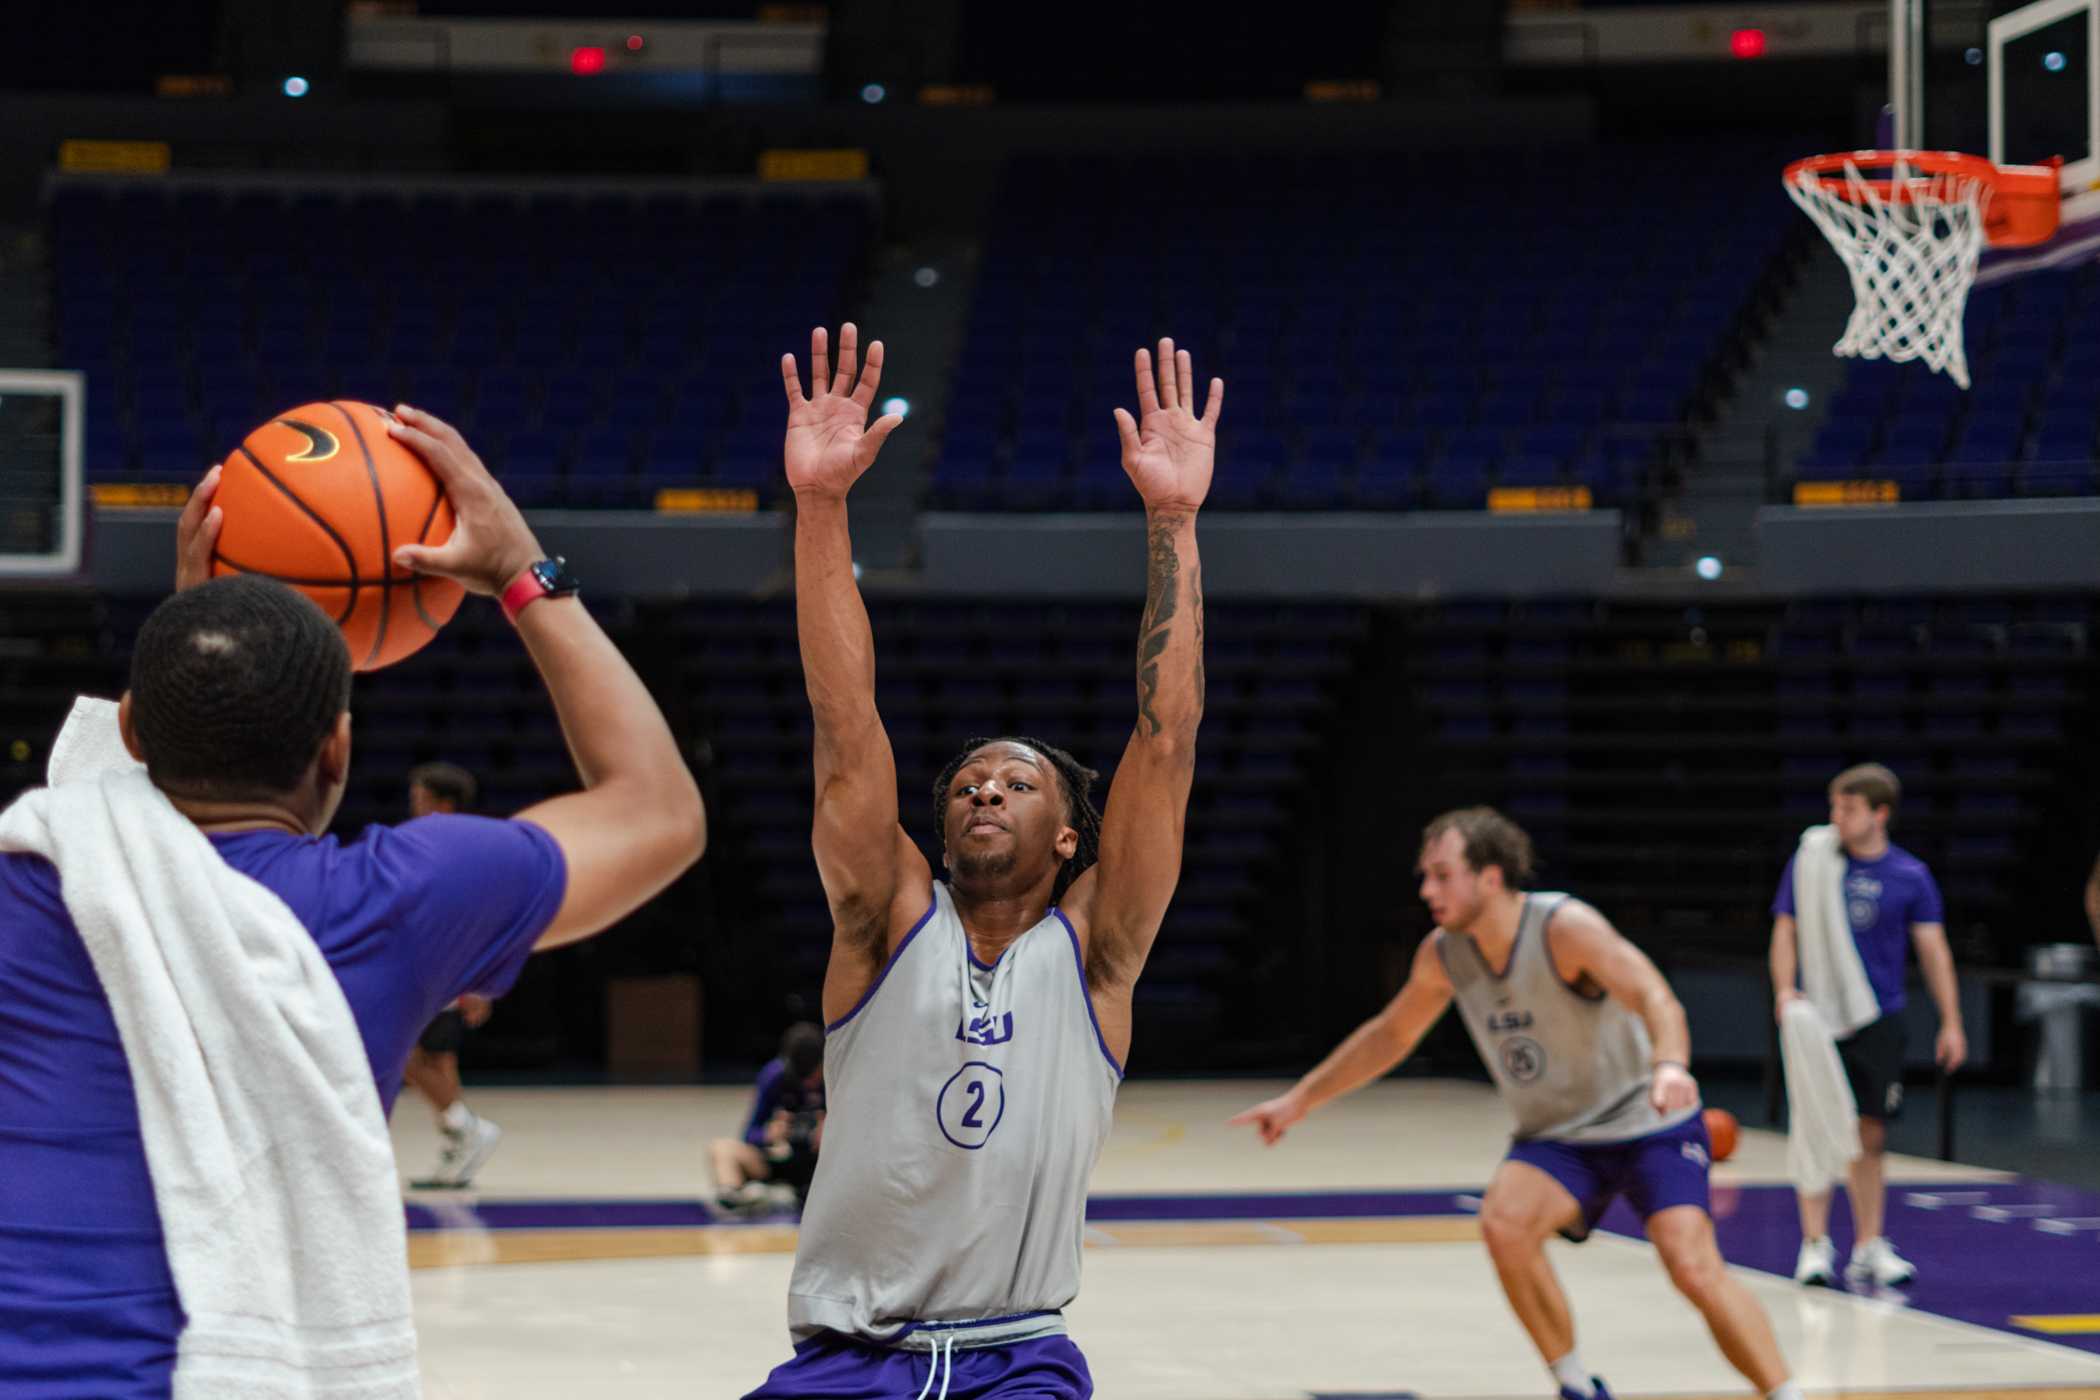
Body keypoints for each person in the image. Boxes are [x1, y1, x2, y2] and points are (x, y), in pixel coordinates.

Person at [0, 406, 706, 1397]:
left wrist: (198, 639)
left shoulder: (28, 870)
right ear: (336, 751)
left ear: (128, 724)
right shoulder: (393, 900)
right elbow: (659, 810)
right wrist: (522, 565)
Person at [744, 326, 1220, 1400]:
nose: (984, 787)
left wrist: (1176, 520)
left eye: (1016, 781)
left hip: (1020, 1352)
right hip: (846, 1356)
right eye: (967, 781)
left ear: (1068, 836)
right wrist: (821, 506)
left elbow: (1168, 738)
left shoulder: (1098, 949)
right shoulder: (886, 917)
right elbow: (843, 719)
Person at [1233, 808, 1798, 1400]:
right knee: (1504, 1222)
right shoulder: (1445, 953)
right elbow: (1391, 1035)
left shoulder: (1564, 927)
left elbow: (1655, 996)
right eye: (1425, 876)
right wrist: (1301, 1100)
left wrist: (1671, 1065)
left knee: (1692, 1267)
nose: (1427, 890)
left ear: (1490, 877)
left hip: (1646, 1121)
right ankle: (1576, 1384)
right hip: (1558, 1136)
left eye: (1441, 875)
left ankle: (1785, 1393)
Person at [1768, 762, 1965, 1289]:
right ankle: (1814, 1244)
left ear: (1880, 814)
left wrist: (1952, 1021)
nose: (1837, 819)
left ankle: (1868, 1243)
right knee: (1812, 1126)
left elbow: (1933, 949)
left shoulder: (1909, 876)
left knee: (1870, 1133)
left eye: (1849, 809)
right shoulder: (1812, 863)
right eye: (1834, 807)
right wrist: (1785, 990)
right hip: (1816, 1016)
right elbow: (1785, 929)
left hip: (1878, 1015)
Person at [399, 762, 504, 1188]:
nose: (414, 806)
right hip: (444, 965)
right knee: (439, 1062)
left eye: (420, 799)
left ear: (442, 804)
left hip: (442, 968)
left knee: (404, 1057)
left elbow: (476, 915)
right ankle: (461, 1147)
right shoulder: (455, 843)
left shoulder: (450, 846)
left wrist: (479, 980)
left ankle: (467, 1130)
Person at [710, 1021, 827, 1214]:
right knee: (720, 1149)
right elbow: (749, 1133)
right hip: (780, 1159)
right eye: (802, 1077)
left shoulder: (838, 1077)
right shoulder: (774, 1076)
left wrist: (832, 1130)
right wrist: (768, 1134)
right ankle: (732, 1198)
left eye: (812, 1077)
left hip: (820, 1163)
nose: (808, 1083)